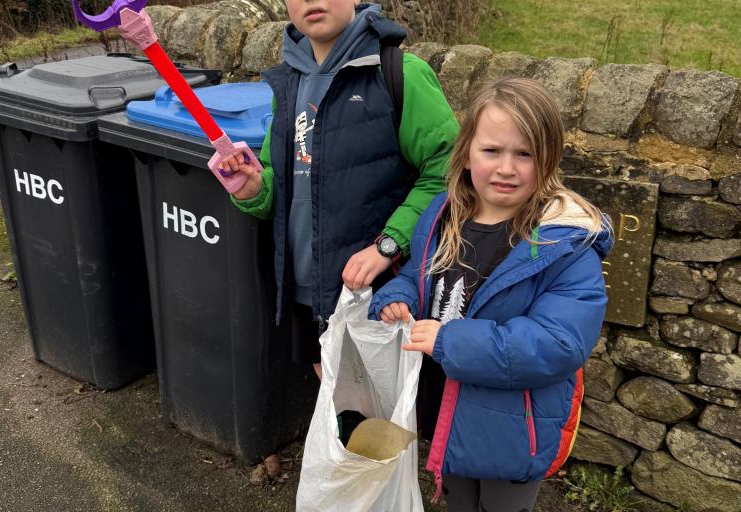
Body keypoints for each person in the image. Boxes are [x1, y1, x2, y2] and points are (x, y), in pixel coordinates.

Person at [369, 78, 613, 512]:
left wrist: (449, 340)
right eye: (492, 151)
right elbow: (423, 278)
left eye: (525, 154)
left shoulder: (565, 245)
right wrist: (398, 294)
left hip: (516, 428)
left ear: (549, 160)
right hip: (448, 405)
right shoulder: (443, 212)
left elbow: (559, 344)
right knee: (459, 500)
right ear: (465, 154)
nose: (507, 168)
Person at [222, 1, 458, 380]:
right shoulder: (288, 82)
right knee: (337, 400)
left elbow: (449, 174)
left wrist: (388, 245)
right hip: (306, 288)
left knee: (382, 415)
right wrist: (253, 188)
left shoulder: (400, 75)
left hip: (376, 291)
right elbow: (279, 180)